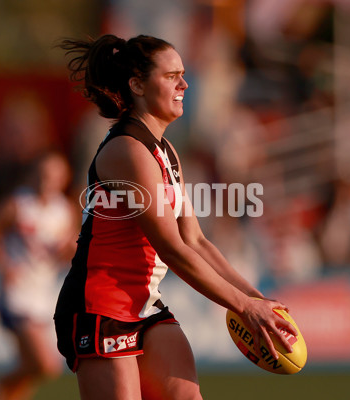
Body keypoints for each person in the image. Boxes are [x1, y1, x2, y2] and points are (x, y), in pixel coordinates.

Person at [53, 34, 297, 400]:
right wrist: (243, 307)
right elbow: (172, 248)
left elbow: (196, 241)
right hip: (99, 305)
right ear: (137, 85)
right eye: (171, 76)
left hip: (143, 303)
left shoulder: (165, 151)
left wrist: (256, 300)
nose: (184, 84)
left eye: (183, 74)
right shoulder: (127, 150)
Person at [0, 151, 78, 400]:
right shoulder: (19, 204)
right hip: (17, 293)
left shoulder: (64, 212)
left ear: (64, 179)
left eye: (54, 175)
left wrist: (69, 251)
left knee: (30, 368)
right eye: (43, 174)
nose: (47, 180)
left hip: (44, 294)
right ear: (34, 174)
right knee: (46, 365)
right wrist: (4, 264)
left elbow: (67, 254)